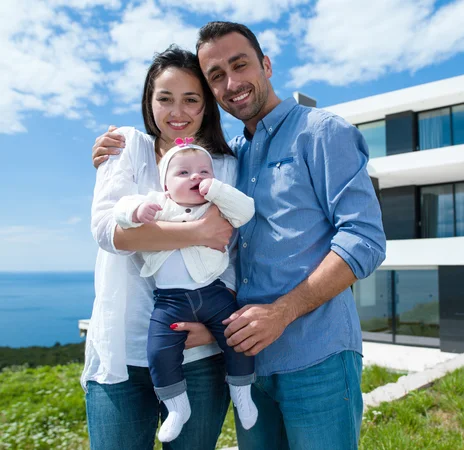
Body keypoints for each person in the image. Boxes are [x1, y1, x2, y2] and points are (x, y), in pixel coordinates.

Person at [93, 21, 386, 450]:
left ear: (265, 65)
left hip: (315, 355)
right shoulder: (229, 158)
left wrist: (283, 312)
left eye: (240, 64)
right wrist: (218, 331)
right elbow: (233, 263)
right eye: (215, 76)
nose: (231, 83)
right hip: (248, 364)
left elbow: (364, 239)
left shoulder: (322, 132)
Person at [85, 45, 238, 450]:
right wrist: (198, 231)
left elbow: (233, 257)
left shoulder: (223, 165)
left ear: (207, 106)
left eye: (192, 99)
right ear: (148, 101)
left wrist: (211, 331)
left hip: (198, 355)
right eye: (165, 98)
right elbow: (107, 232)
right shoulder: (126, 146)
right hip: (123, 352)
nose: (178, 112)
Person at [113, 141, 257, 442]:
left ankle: (243, 391)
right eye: (184, 172)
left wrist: (215, 189)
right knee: (159, 351)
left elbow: (246, 211)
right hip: (170, 300)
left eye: (204, 171)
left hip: (213, 293)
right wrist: (138, 211)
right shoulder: (158, 205)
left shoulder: (215, 207)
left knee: (236, 338)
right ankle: (177, 406)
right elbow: (120, 211)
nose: (196, 177)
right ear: (166, 184)